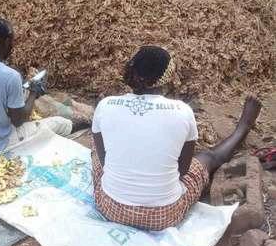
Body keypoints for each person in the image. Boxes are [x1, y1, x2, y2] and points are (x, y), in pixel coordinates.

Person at [91, 46, 261, 231]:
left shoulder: (105, 106)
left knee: (97, 152)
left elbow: (104, 161)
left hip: (110, 207)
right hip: (164, 215)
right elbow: (182, 171)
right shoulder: (182, 111)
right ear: (168, 77)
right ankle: (242, 128)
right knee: (207, 158)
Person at [0, 17, 74, 152]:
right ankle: (84, 125)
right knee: (60, 123)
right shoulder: (10, 76)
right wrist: (33, 93)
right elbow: (18, 121)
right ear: (7, 42)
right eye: (12, 41)